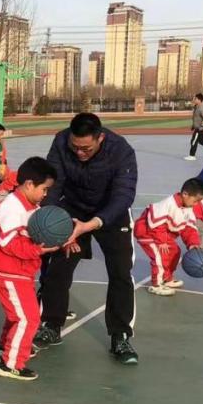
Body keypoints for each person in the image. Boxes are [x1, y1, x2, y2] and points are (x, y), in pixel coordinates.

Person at [36, 113, 139, 364]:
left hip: (111, 213)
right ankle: (51, 324)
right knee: (58, 267)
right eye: (76, 147)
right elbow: (53, 186)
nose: (80, 152)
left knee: (120, 272)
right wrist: (57, 223)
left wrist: (90, 225)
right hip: (72, 209)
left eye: (86, 148)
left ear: (100, 138)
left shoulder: (121, 150)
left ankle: (120, 336)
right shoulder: (61, 142)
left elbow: (123, 196)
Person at [0, 157, 60, 381]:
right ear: (29, 184)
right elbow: (8, 243)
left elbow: (37, 231)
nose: (45, 194)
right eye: (44, 189)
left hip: (19, 271)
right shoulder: (11, 208)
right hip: (8, 271)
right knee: (28, 318)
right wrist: (38, 249)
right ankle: (11, 364)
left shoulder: (30, 205)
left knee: (17, 315)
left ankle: (7, 347)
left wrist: (62, 236)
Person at [135, 178, 203, 296]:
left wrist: (193, 243)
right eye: (196, 201)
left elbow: (189, 228)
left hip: (162, 234)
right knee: (160, 256)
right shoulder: (168, 204)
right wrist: (162, 241)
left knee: (175, 252)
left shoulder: (188, 209)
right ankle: (156, 285)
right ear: (185, 194)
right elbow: (157, 224)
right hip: (147, 232)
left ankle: (167, 278)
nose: (196, 204)